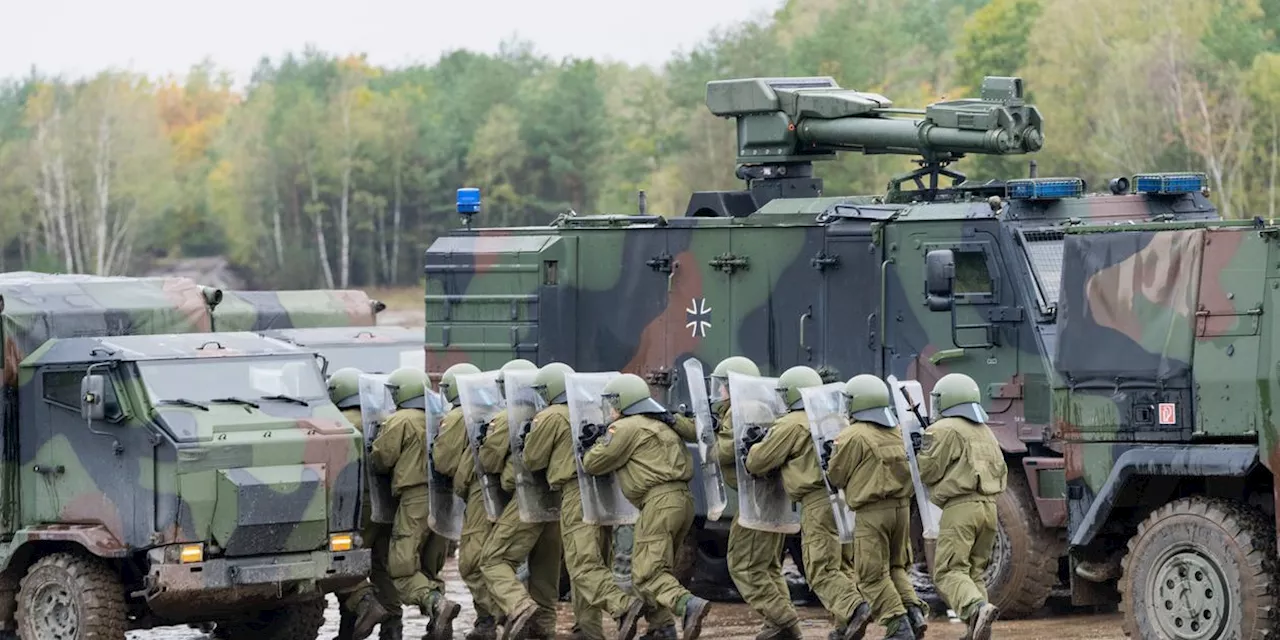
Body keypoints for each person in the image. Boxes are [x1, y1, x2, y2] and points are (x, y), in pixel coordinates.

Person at [743, 366, 872, 640]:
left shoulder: (791, 423)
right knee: (842, 565)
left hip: (817, 501)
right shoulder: (834, 417)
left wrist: (752, 446)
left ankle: (854, 608)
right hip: (845, 499)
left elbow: (758, 462)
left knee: (821, 569)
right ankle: (843, 626)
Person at [581, 373, 712, 640]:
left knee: (646, 574)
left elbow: (593, 463)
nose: (611, 410)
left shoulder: (626, 428)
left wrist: (590, 444)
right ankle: (660, 628)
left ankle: (687, 604)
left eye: (614, 404)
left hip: (659, 503)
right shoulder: (661, 425)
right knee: (657, 567)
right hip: (682, 501)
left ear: (625, 403)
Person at [826, 375, 928, 640]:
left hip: (873, 513)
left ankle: (898, 627)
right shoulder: (897, 430)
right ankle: (914, 615)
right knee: (896, 568)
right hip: (902, 510)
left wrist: (829, 460)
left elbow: (835, 477)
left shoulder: (852, 435)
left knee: (871, 576)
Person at [709, 356, 801, 640]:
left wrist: (708, 440)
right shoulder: (761, 405)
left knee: (744, 565)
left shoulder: (744, 409)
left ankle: (785, 620)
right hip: (770, 498)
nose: (718, 393)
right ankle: (779, 626)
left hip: (758, 500)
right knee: (768, 566)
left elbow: (724, 452)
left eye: (721, 386)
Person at [370, 367, 462, 640]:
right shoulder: (440, 417)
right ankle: (440, 629)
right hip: (444, 500)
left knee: (401, 569)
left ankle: (438, 605)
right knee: (429, 567)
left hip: (414, 500)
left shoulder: (400, 420)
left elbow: (381, 459)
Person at [916, 373, 1007, 640]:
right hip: (990, 508)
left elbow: (929, 471)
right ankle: (976, 630)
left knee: (948, 571)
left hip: (961, 508)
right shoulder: (985, 430)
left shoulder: (944, 429)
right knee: (973, 571)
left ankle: (976, 609)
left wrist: (920, 449)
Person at [478, 359, 562, 640]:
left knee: (492, 560)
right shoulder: (554, 413)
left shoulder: (507, 417)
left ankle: (518, 605)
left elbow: (488, 461)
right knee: (545, 579)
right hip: (558, 502)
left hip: (527, 498)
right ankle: (544, 632)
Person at [432, 362, 499, 640]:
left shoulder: (458, 416)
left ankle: (489, 619)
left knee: (471, 562)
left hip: (477, 494)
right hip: (502, 492)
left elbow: (444, 460)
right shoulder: (493, 410)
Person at [328, 367, 394, 640]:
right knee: (383, 566)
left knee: (343, 564)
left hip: (356, 505)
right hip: (388, 501)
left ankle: (350, 627)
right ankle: (393, 630)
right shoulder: (383, 417)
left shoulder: (338, 422)